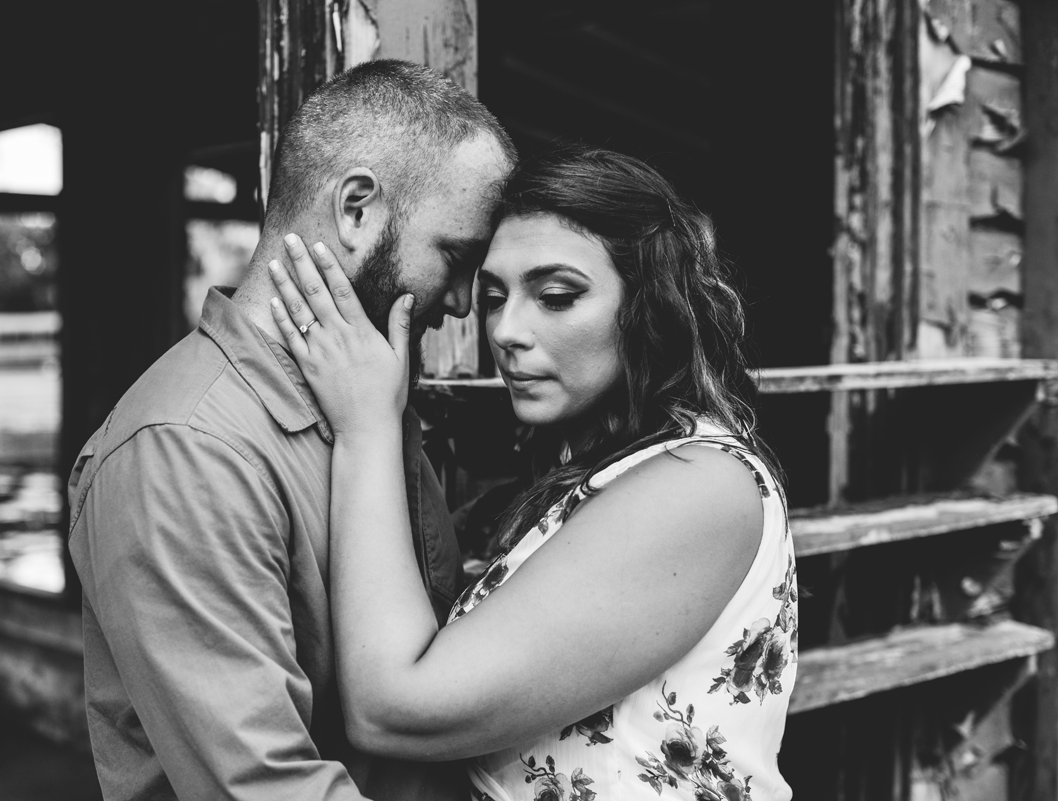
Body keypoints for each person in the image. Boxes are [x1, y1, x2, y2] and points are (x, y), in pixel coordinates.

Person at [268, 144, 798, 801]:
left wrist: (367, 424)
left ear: (649, 306)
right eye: (493, 297)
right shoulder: (605, 472)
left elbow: (393, 707)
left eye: (555, 295)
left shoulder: (699, 484)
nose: (507, 330)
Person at [66, 59, 515, 800]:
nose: (464, 305)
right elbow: (268, 788)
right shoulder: (186, 449)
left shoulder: (370, 398)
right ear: (357, 209)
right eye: (456, 257)